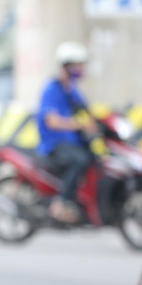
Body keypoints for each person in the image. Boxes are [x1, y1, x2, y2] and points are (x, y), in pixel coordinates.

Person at [37, 41, 98, 223]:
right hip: (54, 145)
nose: (81, 69)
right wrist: (78, 124)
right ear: (67, 66)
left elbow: (86, 111)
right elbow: (52, 121)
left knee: (95, 159)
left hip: (73, 143)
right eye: (78, 65)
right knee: (80, 161)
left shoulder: (72, 89)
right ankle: (61, 202)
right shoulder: (51, 89)